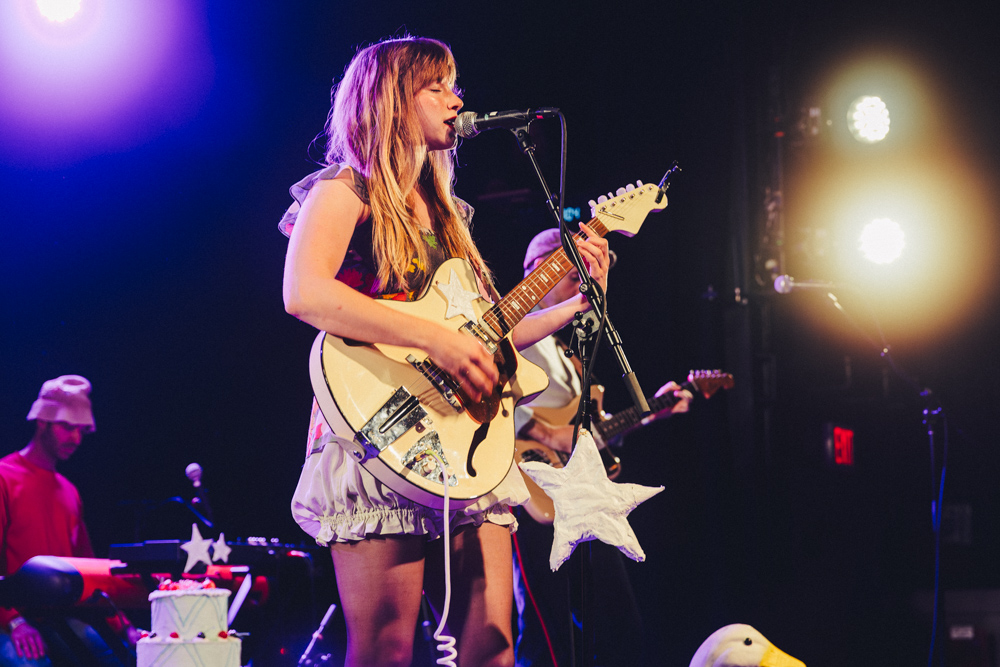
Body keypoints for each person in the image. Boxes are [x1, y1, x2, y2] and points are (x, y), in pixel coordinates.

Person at [280, 37, 610, 667]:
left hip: (464, 437)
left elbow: (485, 338)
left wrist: (573, 305)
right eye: (438, 86)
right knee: (386, 646)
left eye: (456, 85)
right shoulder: (345, 188)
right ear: (391, 99)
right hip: (377, 427)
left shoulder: (446, 213)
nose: (458, 100)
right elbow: (304, 293)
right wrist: (436, 339)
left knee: (492, 639)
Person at [511, 228, 693, 667]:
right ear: (538, 270)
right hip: (533, 489)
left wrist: (655, 410)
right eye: (574, 275)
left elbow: (586, 434)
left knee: (620, 626)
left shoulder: (565, 352)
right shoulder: (512, 329)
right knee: (546, 633)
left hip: (582, 496)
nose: (583, 286)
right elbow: (492, 395)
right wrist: (545, 434)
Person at [0, 375, 133, 667]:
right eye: (66, 427)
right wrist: (13, 621)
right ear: (42, 422)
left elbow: (87, 569)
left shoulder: (70, 492)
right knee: (29, 663)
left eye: (81, 431)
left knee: (118, 657)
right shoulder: (4, 477)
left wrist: (123, 625)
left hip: (61, 615)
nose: (75, 438)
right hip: (9, 615)